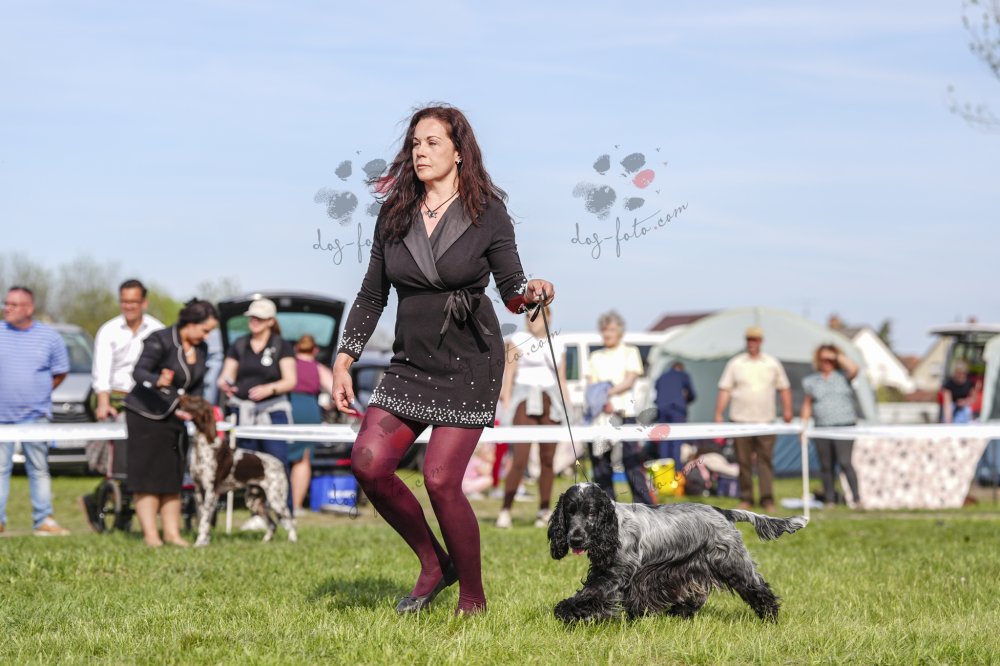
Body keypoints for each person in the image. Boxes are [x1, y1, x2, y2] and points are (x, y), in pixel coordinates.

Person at [332, 104, 554, 616]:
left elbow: (512, 290)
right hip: (410, 361)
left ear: (458, 152)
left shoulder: (487, 212)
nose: (421, 151)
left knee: (439, 479)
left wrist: (532, 292)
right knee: (368, 461)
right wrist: (344, 359)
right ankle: (434, 564)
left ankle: (473, 598)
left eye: (433, 142)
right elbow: (371, 295)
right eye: (415, 142)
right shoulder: (395, 213)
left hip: (469, 360)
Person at [123, 299, 218, 547]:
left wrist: (194, 409)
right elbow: (139, 372)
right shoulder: (160, 339)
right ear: (191, 322)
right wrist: (157, 380)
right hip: (145, 415)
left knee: (172, 476)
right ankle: (151, 536)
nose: (207, 336)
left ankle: (172, 534)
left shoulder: (201, 348)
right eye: (205, 330)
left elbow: (197, 385)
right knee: (148, 477)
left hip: (176, 418)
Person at [217, 297, 297, 523]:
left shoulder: (281, 345)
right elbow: (225, 375)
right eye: (252, 317)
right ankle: (258, 515)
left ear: (270, 321)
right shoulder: (239, 344)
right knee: (247, 464)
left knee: (277, 463)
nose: (254, 321)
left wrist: (270, 388)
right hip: (244, 412)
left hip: (273, 412)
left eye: (260, 318)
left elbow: (290, 380)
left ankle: (285, 514)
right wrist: (225, 384)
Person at [0, 286, 72, 536]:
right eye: (6, 303)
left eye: (14, 304)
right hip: (1, 416)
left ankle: (44, 520)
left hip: (36, 415)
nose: (7, 308)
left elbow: (60, 372)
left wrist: (38, 392)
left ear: (29, 308)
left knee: (39, 469)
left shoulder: (50, 337)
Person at [495, 305, 567, 529]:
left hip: (550, 400)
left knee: (548, 458)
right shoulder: (517, 339)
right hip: (524, 400)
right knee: (520, 458)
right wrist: (506, 405)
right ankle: (505, 510)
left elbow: (562, 380)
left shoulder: (558, 343)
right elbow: (509, 376)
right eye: (527, 316)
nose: (530, 320)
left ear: (548, 318)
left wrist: (568, 409)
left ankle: (544, 510)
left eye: (535, 316)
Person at [714, 326, 792, 511]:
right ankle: (746, 497)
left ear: (761, 341)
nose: (752, 343)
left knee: (765, 461)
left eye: (755, 339)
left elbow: (784, 388)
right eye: (749, 339)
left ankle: (767, 499)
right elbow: (725, 389)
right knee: (743, 461)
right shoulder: (736, 363)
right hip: (740, 420)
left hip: (766, 421)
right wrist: (718, 413)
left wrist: (787, 410)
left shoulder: (772, 363)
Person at [586, 311, 654, 505]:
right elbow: (591, 385)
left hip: (625, 413)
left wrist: (607, 394)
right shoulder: (595, 357)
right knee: (601, 464)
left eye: (612, 330)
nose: (608, 334)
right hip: (600, 417)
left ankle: (644, 505)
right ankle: (607, 504)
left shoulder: (630, 352)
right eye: (605, 330)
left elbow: (629, 380)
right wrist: (601, 402)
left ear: (620, 332)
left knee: (631, 461)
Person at [91, 279, 164, 421]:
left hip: (149, 399)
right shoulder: (108, 330)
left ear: (144, 303)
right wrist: (103, 404)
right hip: (116, 400)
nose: (128, 306)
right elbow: (101, 371)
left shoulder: (157, 330)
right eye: (124, 302)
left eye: (133, 302)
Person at [801, 344, 860, 507]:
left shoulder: (843, 376)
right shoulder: (811, 381)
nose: (826, 362)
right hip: (822, 427)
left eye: (829, 359)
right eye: (823, 359)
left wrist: (835, 355)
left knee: (845, 462)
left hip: (845, 426)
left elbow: (854, 368)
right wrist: (803, 427)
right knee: (826, 465)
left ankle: (857, 499)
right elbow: (807, 405)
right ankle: (830, 499)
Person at [288, 334, 333, 515]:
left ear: (296, 348)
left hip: (287, 407)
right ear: (315, 350)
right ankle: (296, 506)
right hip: (309, 410)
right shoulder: (319, 368)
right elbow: (335, 390)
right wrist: (329, 405)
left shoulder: (288, 363)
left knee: (280, 455)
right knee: (303, 459)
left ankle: (278, 502)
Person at [649, 361, 696, 463]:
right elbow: (692, 394)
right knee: (676, 438)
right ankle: (676, 467)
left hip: (662, 409)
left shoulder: (662, 377)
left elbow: (655, 391)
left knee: (664, 438)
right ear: (681, 368)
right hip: (677, 409)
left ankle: (664, 465)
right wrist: (685, 400)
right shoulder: (683, 375)